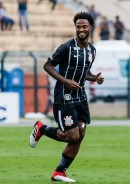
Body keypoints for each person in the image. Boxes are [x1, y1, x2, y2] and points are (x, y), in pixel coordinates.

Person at [29, 12, 104, 182]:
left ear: (90, 27)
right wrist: (65, 81)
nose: (81, 29)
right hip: (64, 97)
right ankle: (41, 129)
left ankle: (59, 172)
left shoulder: (92, 50)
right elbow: (47, 65)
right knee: (72, 136)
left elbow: (84, 72)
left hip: (81, 97)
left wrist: (94, 78)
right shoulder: (66, 47)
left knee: (81, 135)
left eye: (84, 26)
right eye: (78, 26)